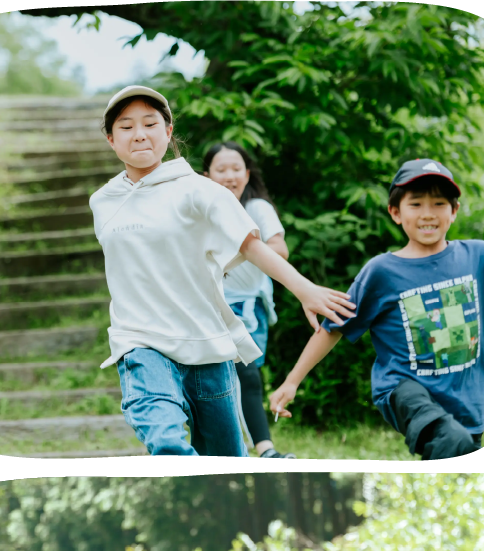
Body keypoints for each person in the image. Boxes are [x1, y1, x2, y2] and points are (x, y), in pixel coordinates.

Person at [91, 85, 354, 458]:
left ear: (168, 132)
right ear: (111, 140)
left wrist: (305, 290)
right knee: (166, 442)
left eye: (150, 123)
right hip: (140, 342)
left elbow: (250, 245)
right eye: (126, 126)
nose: (139, 134)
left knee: (227, 463)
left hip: (207, 343)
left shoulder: (200, 190)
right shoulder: (103, 201)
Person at [268, 159, 484, 468]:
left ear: (454, 211)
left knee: (460, 460)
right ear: (396, 213)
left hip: (469, 400)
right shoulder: (382, 271)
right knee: (451, 439)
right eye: (416, 204)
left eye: (438, 203)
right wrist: (292, 381)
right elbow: (335, 326)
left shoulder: (480, 258)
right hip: (404, 387)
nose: (428, 213)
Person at [202, 140, 295, 467]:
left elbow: (280, 251)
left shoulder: (257, 209)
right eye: (221, 169)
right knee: (233, 378)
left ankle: (255, 451)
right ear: (206, 175)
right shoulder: (200, 212)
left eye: (236, 168)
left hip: (248, 310)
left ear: (247, 173)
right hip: (206, 307)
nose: (230, 176)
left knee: (246, 377)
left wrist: (238, 253)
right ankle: (259, 451)